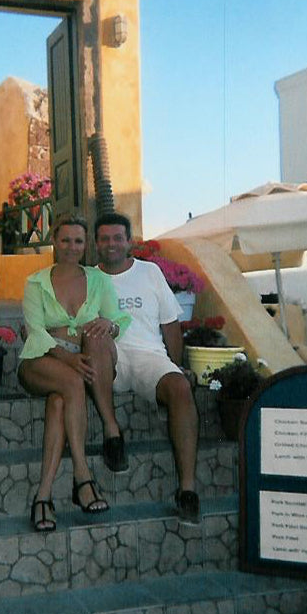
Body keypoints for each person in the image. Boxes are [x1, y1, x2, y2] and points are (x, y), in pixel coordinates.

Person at [18, 213, 131, 531]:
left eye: (78, 241)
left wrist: (108, 323)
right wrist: (66, 358)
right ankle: (83, 475)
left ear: (86, 245)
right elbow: (36, 332)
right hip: (41, 361)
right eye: (65, 239)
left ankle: (43, 497)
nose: (71, 246)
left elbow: (118, 319)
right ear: (54, 240)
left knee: (59, 401)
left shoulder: (99, 281)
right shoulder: (36, 282)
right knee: (70, 381)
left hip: (78, 363)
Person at [94, 211, 201, 525]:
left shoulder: (150, 272)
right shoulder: (88, 278)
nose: (111, 244)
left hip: (148, 357)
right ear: (96, 244)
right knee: (96, 338)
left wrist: (177, 367)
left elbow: (170, 324)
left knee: (180, 387)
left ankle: (187, 491)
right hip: (108, 359)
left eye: (117, 238)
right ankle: (113, 436)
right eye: (104, 238)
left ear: (129, 241)